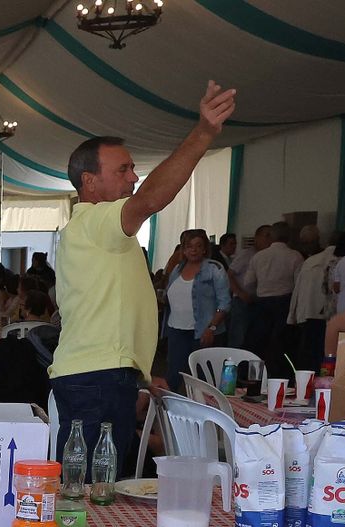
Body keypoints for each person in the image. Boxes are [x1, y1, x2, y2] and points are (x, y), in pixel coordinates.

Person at [52, 81, 237, 471]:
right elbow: (152, 198)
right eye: (123, 169)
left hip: (101, 374)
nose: (133, 177)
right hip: (96, 378)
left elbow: (111, 310)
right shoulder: (96, 220)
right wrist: (203, 133)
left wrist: (139, 373)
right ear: (89, 181)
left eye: (134, 169)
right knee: (92, 492)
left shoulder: (96, 230)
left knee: (94, 487)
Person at [162, 230, 231, 395]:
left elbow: (225, 302)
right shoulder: (177, 269)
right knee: (174, 373)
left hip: (202, 331)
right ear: (183, 250)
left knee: (201, 377)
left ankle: (204, 411)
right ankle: (167, 410)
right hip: (176, 329)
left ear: (205, 249)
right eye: (189, 246)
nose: (193, 250)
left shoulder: (214, 269)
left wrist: (212, 327)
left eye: (198, 246)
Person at [241, 220, 303, 372]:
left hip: (261, 303)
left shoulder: (259, 256)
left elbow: (248, 283)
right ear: (289, 237)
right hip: (285, 303)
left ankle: (253, 377)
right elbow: (299, 285)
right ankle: (278, 377)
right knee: (280, 345)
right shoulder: (295, 256)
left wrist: (258, 291)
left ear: (272, 236)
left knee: (257, 343)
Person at [287, 230, 338, 374]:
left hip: (307, 313)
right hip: (332, 316)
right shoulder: (342, 261)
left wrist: (293, 315)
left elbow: (297, 289)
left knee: (308, 358)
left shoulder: (310, 261)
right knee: (328, 357)